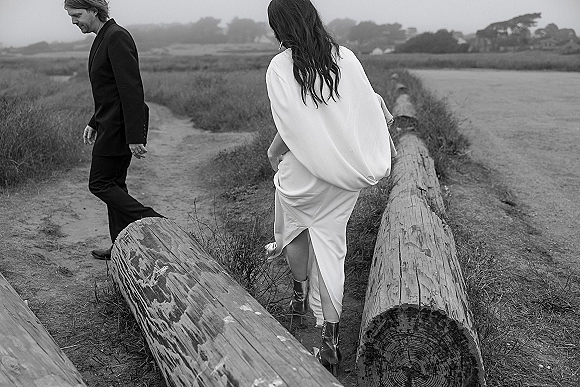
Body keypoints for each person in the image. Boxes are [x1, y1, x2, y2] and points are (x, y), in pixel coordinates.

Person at [265, 0, 396, 376]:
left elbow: (293, 127)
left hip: (303, 175)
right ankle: (331, 341)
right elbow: (362, 109)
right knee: (332, 248)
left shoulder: (279, 66)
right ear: (311, 17)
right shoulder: (347, 58)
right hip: (341, 178)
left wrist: (273, 152)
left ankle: (299, 295)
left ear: (279, 27)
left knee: (292, 232)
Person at [64, 0, 163, 260]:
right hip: (109, 123)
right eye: (71, 16)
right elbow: (108, 89)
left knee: (99, 184)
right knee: (115, 184)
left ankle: (154, 219)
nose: (74, 21)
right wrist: (94, 121)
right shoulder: (103, 37)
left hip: (119, 128)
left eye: (77, 15)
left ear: (94, 10)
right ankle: (121, 245)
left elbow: (130, 89)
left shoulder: (116, 37)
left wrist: (134, 136)